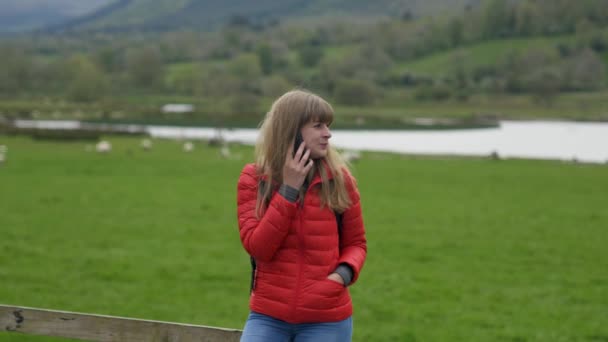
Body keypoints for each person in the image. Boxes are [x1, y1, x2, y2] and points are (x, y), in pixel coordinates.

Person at [236, 89, 367, 341]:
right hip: (268, 316)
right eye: (318, 126)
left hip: (327, 318)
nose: (328, 134)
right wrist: (288, 190)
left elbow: (356, 244)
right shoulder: (253, 179)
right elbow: (258, 248)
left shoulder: (340, 180)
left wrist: (341, 276)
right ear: (292, 130)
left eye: (327, 126)